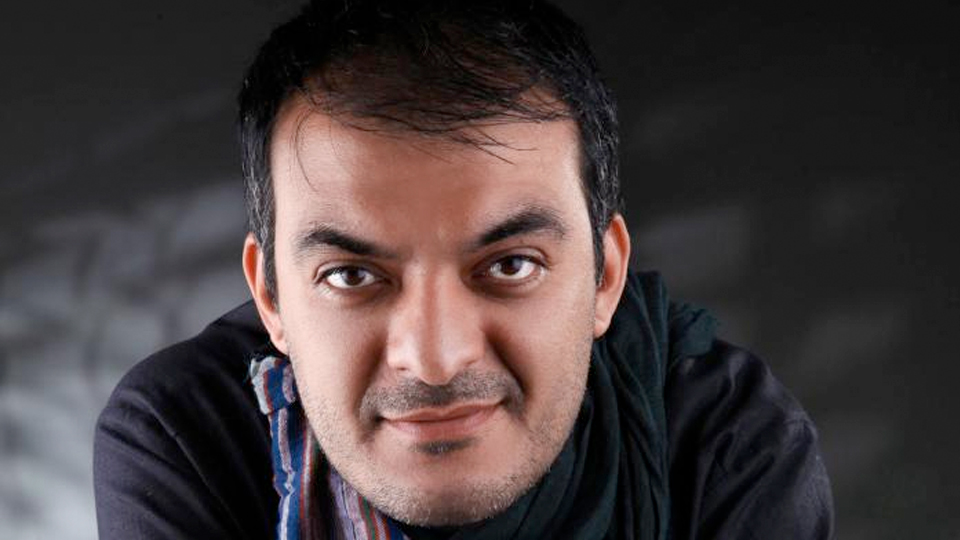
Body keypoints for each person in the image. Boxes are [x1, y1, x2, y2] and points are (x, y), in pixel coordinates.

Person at [93, 1, 834, 538]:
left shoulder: (728, 440)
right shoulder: (184, 435)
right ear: (271, 296)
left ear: (605, 277)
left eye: (510, 264)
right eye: (351, 276)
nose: (435, 359)